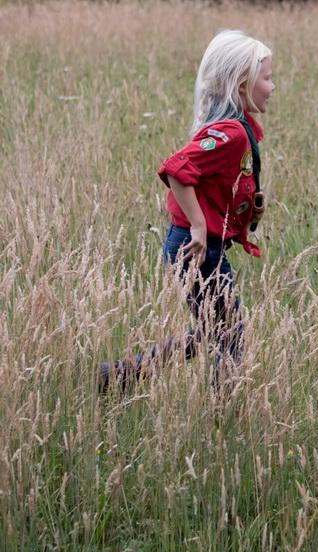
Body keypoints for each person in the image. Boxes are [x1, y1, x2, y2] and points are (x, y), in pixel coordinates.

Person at [99, 29, 275, 392]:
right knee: (229, 334)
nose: (272, 87)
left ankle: (121, 375)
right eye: (267, 78)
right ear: (242, 84)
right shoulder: (231, 134)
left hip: (200, 247)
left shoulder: (239, 128)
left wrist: (247, 211)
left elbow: (217, 180)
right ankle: (222, 407)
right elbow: (176, 169)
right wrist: (198, 225)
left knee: (215, 329)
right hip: (196, 248)